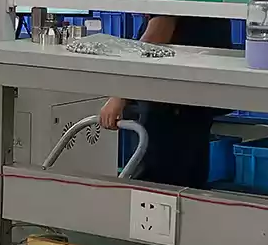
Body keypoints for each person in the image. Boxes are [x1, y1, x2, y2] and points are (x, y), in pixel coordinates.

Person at [96, 13, 235, 188]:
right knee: (186, 184)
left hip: (170, 104)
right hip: (195, 98)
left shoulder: (170, 0)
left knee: (156, 186)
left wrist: (119, 95)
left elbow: (153, 41)